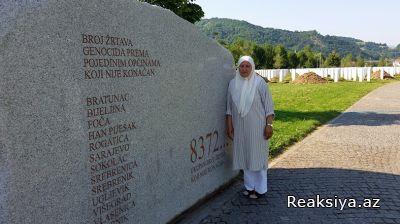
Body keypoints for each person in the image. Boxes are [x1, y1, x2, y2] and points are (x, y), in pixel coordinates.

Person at [226, 56, 274, 199]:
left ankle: (260, 189)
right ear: (238, 68)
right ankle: (249, 187)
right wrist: (229, 126)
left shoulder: (260, 83)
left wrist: (269, 125)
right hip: (240, 128)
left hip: (258, 127)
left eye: (247, 66)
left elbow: (269, 106)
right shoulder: (233, 84)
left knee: (257, 157)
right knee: (246, 157)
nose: (244, 69)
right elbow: (229, 108)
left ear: (252, 67)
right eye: (242, 66)